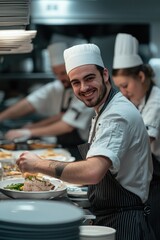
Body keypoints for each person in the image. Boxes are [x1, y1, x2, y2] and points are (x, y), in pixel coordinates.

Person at [16, 43, 155, 240]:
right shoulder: (104, 109)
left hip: (125, 222)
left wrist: (38, 164)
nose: (84, 88)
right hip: (111, 216)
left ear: (105, 75)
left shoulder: (117, 115)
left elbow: (92, 171)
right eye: (76, 82)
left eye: (89, 78)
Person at [2, 42, 94, 159]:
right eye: (56, 74)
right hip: (64, 147)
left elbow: (67, 125)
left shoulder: (85, 92)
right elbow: (30, 103)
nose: (60, 78)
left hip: (83, 149)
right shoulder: (60, 86)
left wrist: (29, 132)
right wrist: (2, 117)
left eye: (62, 73)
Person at [112, 33, 160, 239]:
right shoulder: (140, 100)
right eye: (119, 87)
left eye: (125, 86)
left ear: (141, 77)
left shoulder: (156, 102)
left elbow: (143, 142)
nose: (123, 92)